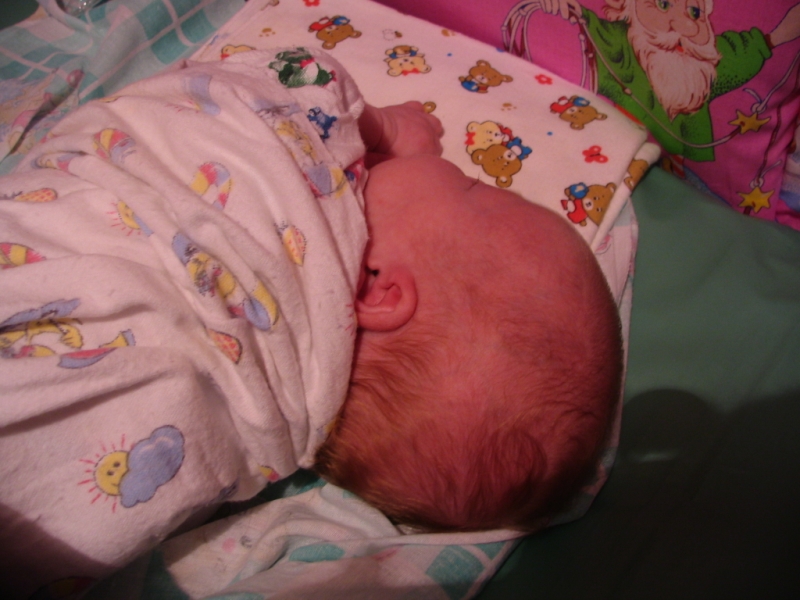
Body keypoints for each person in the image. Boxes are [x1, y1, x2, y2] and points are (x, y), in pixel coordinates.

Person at [0, 46, 621, 595]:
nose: (468, 173)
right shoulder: (248, 441)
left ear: (379, 287)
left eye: (477, 192)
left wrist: (378, 124)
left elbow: (255, 88)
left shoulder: (288, 195)